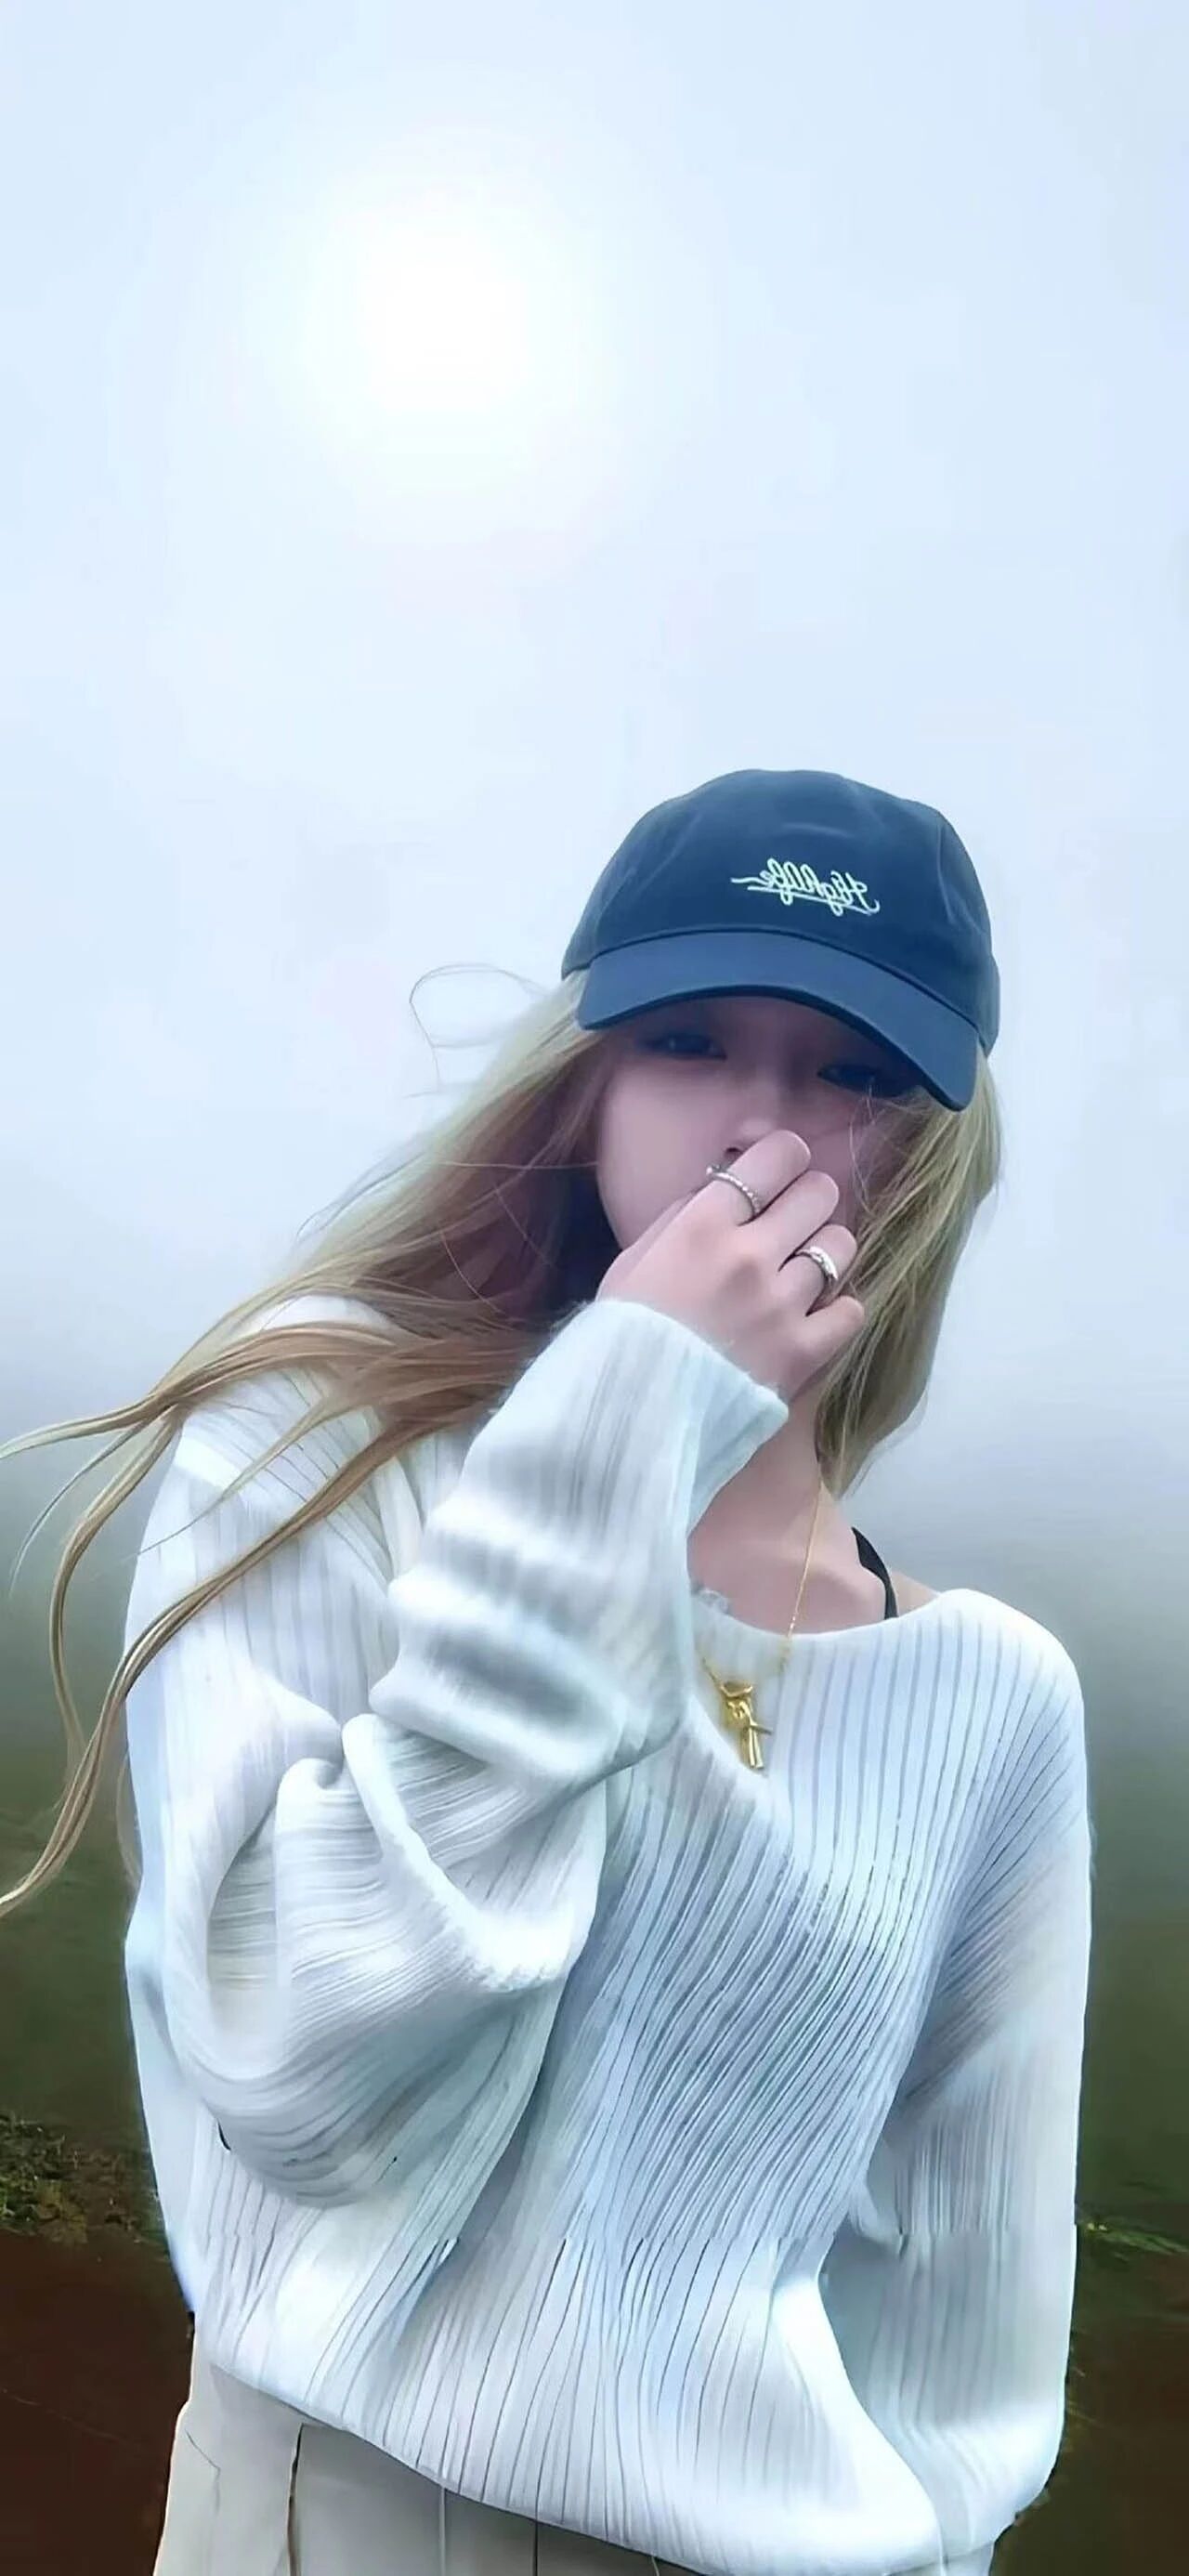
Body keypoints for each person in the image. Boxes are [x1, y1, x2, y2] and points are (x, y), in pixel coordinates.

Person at [1, 768, 1093, 2576]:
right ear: (583, 1079)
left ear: (931, 1149)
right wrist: (622, 1425)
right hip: (342, 2513)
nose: (762, 1122)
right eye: (689, 1038)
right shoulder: (326, 1440)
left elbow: (960, 2357)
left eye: (853, 1071)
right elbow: (291, 2068)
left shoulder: (994, 1698)